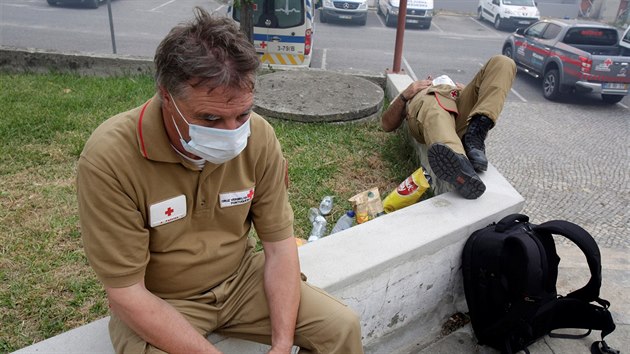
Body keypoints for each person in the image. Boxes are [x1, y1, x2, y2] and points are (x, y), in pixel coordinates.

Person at [76, 8, 363, 354]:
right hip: (163, 299)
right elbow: (125, 294)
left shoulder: (258, 137)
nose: (232, 133)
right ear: (167, 98)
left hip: (242, 281)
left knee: (341, 328)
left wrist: (282, 344)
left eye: (242, 114)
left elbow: (279, 246)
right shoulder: (110, 159)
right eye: (210, 118)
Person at [381, 55, 516, 199]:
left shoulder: (457, 90)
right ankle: (460, 166)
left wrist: (469, 92)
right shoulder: (418, 89)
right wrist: (405, 94)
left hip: (458, 107)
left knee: (503, 62)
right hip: (431, 104)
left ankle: (476, 133)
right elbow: (386, 124)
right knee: (435, 109)